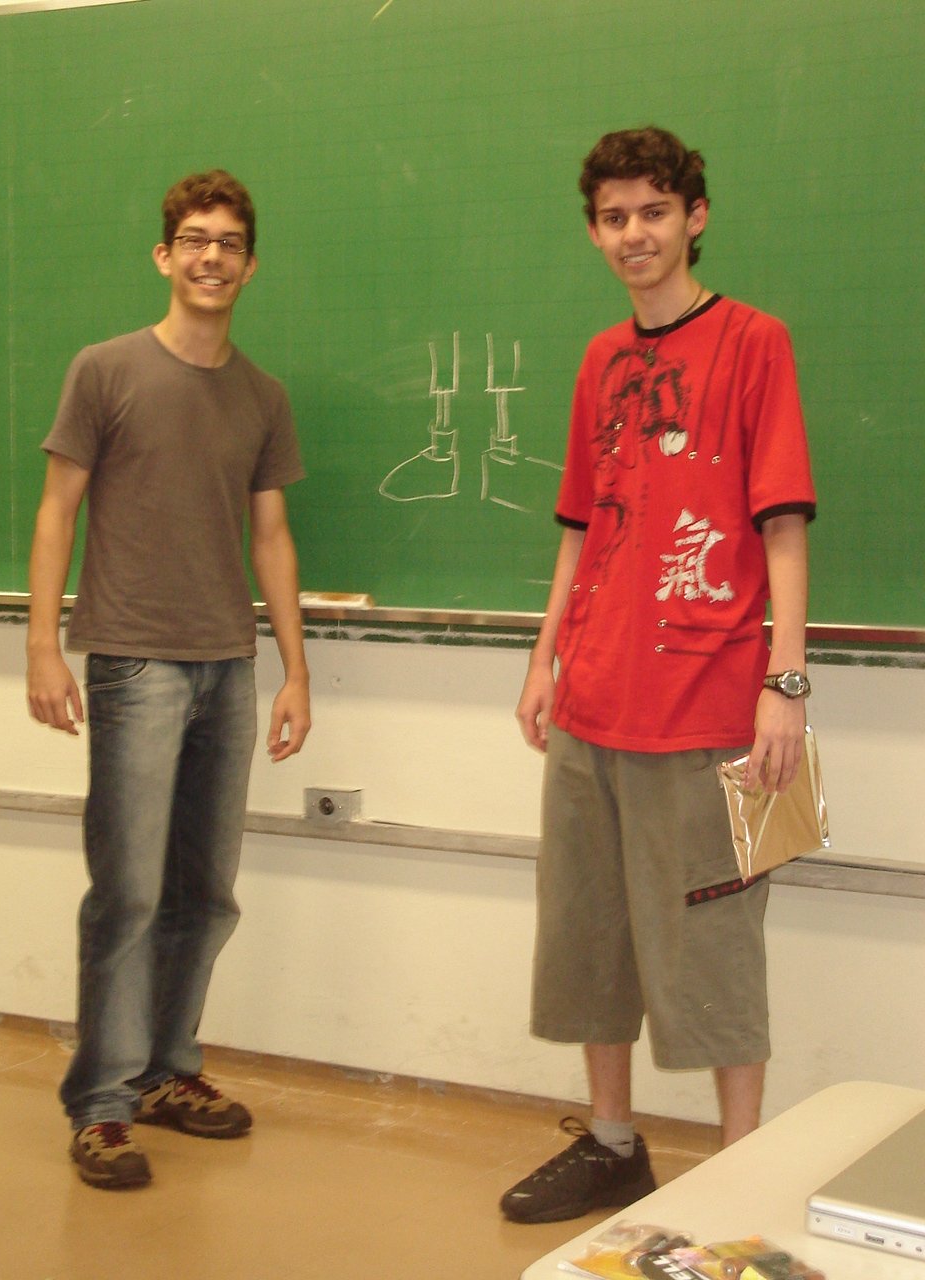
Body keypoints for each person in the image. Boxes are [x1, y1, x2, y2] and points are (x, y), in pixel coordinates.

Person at [500, 127, 816, 1225]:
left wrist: (787, 683)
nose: (633, 233)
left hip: (715, 705)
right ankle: (612, 1142)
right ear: (595, 231)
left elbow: (783, 526)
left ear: (695, 216)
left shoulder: (755, 341)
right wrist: (544, 657)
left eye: (653, 211)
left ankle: (742, 1166)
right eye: (613, 216)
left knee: (716, 950)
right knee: (589, 936)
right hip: (594, 698)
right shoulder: (600, 359)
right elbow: (582, 525)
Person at [26, 170, 310, 1190]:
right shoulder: (105, 370)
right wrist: (42, 644)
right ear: (164, 255)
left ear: (250, 264)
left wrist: (295, 670)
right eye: (193, 239)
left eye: (229, 242)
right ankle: (102, 1106)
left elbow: (271, 536)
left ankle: (165, 1070)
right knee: (129, 893)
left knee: (204, 893)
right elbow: (58, 509)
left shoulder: (262, 396)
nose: (210, 257)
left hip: (227, 668)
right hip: (134, 661)